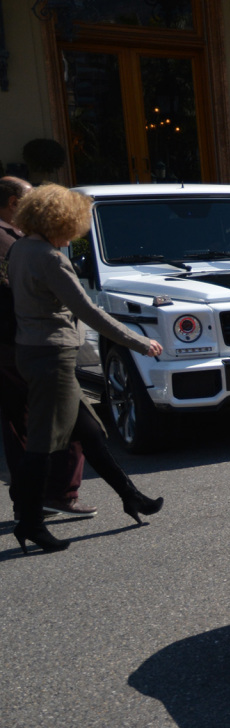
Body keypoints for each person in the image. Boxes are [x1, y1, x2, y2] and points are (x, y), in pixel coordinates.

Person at [8, 184, 164, 553]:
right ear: (61, 219)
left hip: (31, 351)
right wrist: (139, 341)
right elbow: (88, 310)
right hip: (52, 356)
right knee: (44, 444)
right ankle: (29, 522)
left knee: (90, 431)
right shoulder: (49, 257)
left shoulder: (19, 248)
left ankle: (131, 496)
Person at [0, 176, 94, 520]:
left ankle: (31, 500)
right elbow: (81, 306)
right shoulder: (21, 244)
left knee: (23, 427)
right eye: (27, 200)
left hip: (19, 346)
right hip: (30, 345)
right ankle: (56, 495)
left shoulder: (20, 242)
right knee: (65, 425)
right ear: (13, 204)